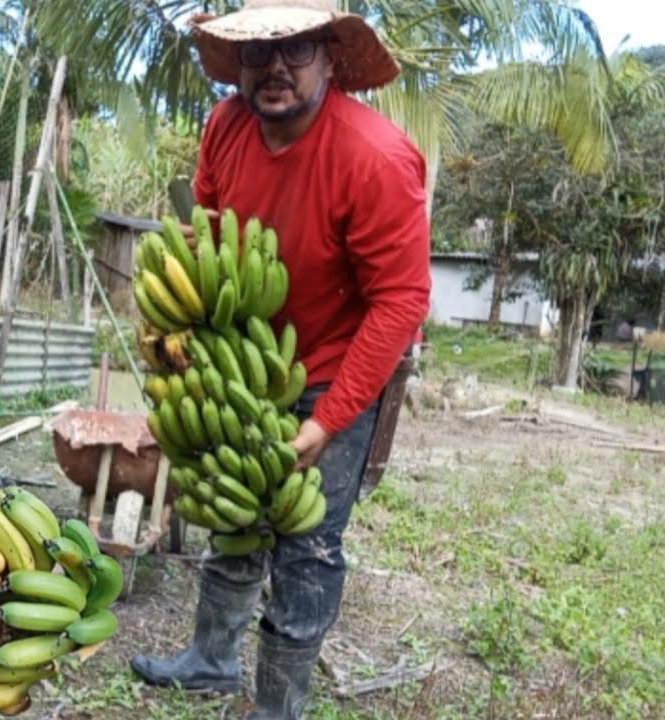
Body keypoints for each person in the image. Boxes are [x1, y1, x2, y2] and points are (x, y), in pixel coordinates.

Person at [130, 2, 432, 719]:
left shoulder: (375, 157)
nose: (275, 68)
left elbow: (400, 302)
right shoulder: (226, 125)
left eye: (295, 49)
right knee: (234, 513)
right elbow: (204, 230)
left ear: (331, 58)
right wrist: (183, 352)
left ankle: (278, 707)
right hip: (243, 355)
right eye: (257, 51)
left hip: (334, 363)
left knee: (306, 542)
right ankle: (210, 660)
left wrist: (327, 419)